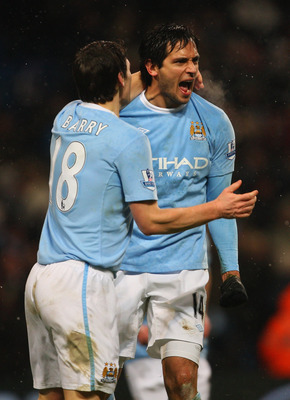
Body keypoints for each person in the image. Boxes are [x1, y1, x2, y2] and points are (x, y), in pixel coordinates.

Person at [24, 39, 258, 400]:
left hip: (40, 277)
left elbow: (107, 85)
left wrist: (174, 73)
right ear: (121, 77)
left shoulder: (66, 116)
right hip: (82, 281)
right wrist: (216, 209)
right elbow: (149, 221)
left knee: (52, 395)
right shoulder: (127, 138)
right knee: (90, 396)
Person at [116, 23, 255, 400]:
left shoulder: (215, 123)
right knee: (100, 379)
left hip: (183, 270)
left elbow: (221, 204)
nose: (193, 69)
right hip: (119, 267)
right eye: (180, 61)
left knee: (182, 382)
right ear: (151, 67)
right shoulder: (118, 115)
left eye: (195, 60)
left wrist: (230, 271)